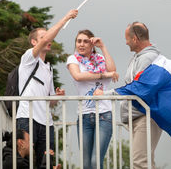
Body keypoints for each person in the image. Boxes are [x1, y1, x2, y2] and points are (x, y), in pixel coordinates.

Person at [94, 22, 162, 169]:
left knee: (140, 163)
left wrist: (105, 94)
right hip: (139, 116)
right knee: (145, 161)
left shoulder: (147, 58)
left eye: (127, 39)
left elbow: (137, 88)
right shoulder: (139, 57)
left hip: (145, 116)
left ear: (135, 39)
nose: (126, 42)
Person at [16, 9, 78, 168]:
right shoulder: (28, 58)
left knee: (47, 162)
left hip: (46, 122)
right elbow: (47, 39)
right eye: (43, 37)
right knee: (25, 162)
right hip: (27, 118)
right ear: (34, 42)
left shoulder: (48, 68)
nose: (48, 39)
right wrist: (65, 18)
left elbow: (50, 101)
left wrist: (57, 97)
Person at [66, 29, 119, 169]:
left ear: (92, 44)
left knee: (96, 162)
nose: (81, 44)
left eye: (85, 41)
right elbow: (78, 76)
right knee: (86, 164)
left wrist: (103, 47)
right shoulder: (73, 59)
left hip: (104, 115)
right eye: (78, 41)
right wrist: (103, 75)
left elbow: (113, 70)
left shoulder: (101, 59)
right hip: (84, 116)